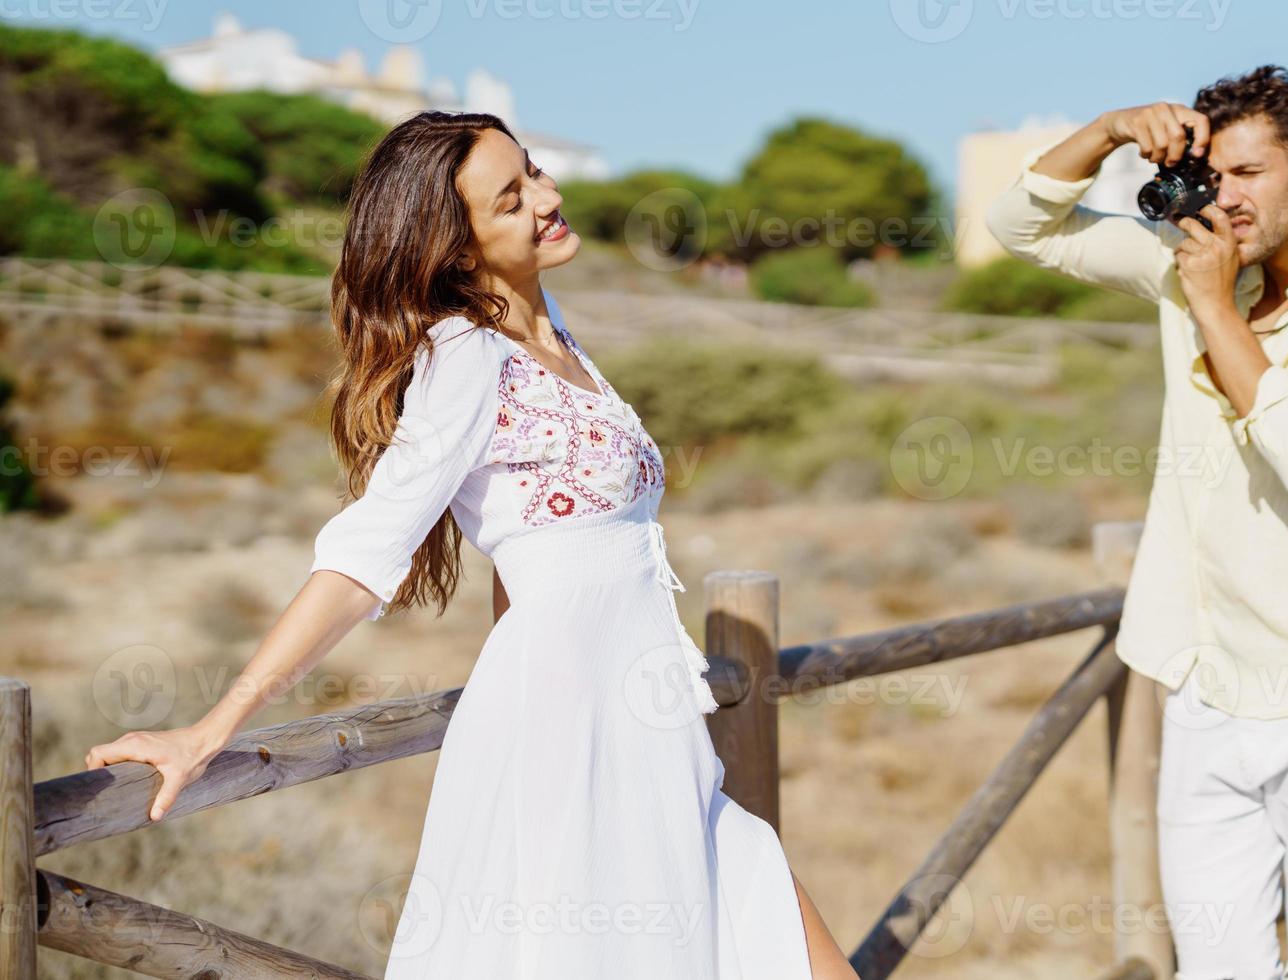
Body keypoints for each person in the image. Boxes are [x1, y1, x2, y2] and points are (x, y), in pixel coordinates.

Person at [83, 110, 857, 979]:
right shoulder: (463, 358)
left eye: (535, 173)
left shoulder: (553, 327)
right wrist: (211, 728)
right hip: (571, 742)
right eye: (512, 197)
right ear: (457, 251)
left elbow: (530, 550)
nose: (548, 199)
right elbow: (363, 558)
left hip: (653, 735)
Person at [986, 66, 1288, 979]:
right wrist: (1112, 128)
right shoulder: (1189, 261)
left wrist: (1208, 302)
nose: (1223, 200)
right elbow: (1018, 227)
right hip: (1203, 684)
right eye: (1213, 175)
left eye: (1248, 175)